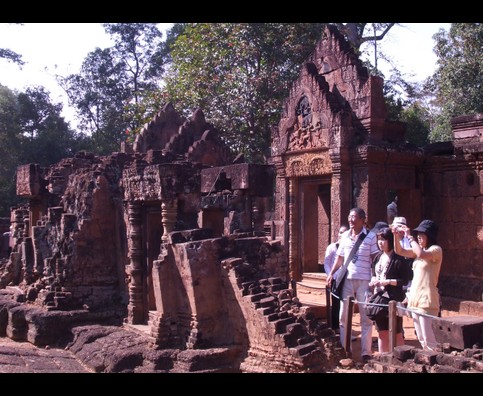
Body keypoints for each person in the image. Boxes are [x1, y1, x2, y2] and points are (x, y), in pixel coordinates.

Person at [327, 207, 380, 363]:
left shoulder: (370, 237)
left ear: (362, 220)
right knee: (344, 315)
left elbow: (375, 258)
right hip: (348, 280)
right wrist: (331, 273)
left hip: (364, 280)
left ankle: (366, 352)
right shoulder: (344, 236)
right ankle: (345, 348)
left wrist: (376, 277)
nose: (350, 220)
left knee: (366, 317)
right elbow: (340, 258)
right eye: (349, 217)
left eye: (354, 217)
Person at [393, 219, 442, 351]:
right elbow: (400, 251)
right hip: (415, 300)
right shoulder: (418, 250)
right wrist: (396, 236)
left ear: (430, 236)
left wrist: (409, 237)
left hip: (427, 301)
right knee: (421, 339)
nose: (419, 237)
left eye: (422, 235)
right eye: (418, 235)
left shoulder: (436, 250)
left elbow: (421, 254)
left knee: (429, 340)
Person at [369, 227, 411, 353]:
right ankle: (383, 358)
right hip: (379, 297)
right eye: (378, 240)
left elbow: (405, 279)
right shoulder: (377, 257)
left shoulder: (399, 259)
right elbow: (374, 272)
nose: (380, 243)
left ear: (390, 241)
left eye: (383, 240)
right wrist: (374, 280)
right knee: (382, 331)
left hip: (394, 298)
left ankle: (402, 359)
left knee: (397, 331)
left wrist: (388, 282)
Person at [323, 225, 348, 330]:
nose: (342, 234)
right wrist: (330, 275)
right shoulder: (332, 247)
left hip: (346, 278)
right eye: (341, 232)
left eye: (345, 232)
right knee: (336, 303)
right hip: (335, 279)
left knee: (346, 303)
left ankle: (345, 329)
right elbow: (327, 263)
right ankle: (335, 327)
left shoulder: (349, 247)